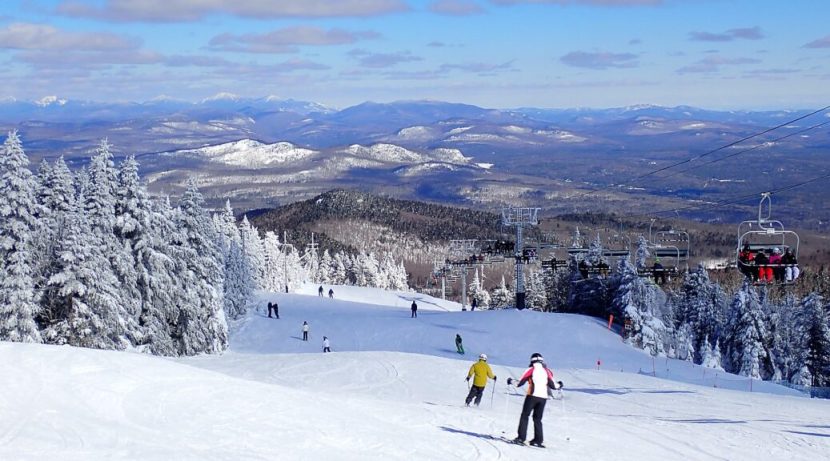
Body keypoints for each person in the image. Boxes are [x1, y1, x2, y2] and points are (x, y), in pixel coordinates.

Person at [508, 353, 560, 448]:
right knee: (537, 419)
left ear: (532, 360)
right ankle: (538, 440)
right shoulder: (547, 371)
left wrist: (511, 381)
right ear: (542, 361)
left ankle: (521, 438)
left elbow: (519, 383)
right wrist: (560, 385)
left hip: (532, 396)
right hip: (543, 398)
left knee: (525, 415)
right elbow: (553, 386)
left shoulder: (531, 369)